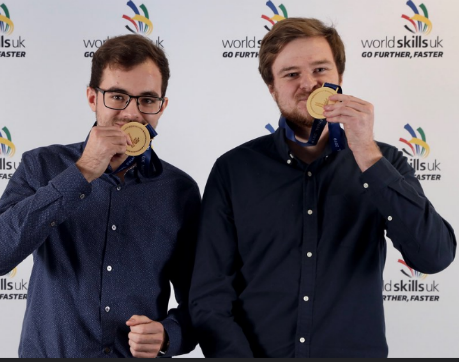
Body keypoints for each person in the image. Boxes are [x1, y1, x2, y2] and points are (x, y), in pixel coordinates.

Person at [189, 18, 456, 358]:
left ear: (339, 79)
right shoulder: (233, 170)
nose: (309, 84)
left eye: (319, 70)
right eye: (291, 74)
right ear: (272, 88)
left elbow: (434, 256)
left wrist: (366, 153)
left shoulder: (385, 161)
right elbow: (209, 296)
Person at [0, 34, 200, 358]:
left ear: (162, 107)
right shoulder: (41, 165)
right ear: (92, 97)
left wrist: (169, 335)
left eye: (147, 100)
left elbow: (201, 304)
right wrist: (81, 173)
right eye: (118, 96)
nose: (133, 114)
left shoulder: (180, 191)